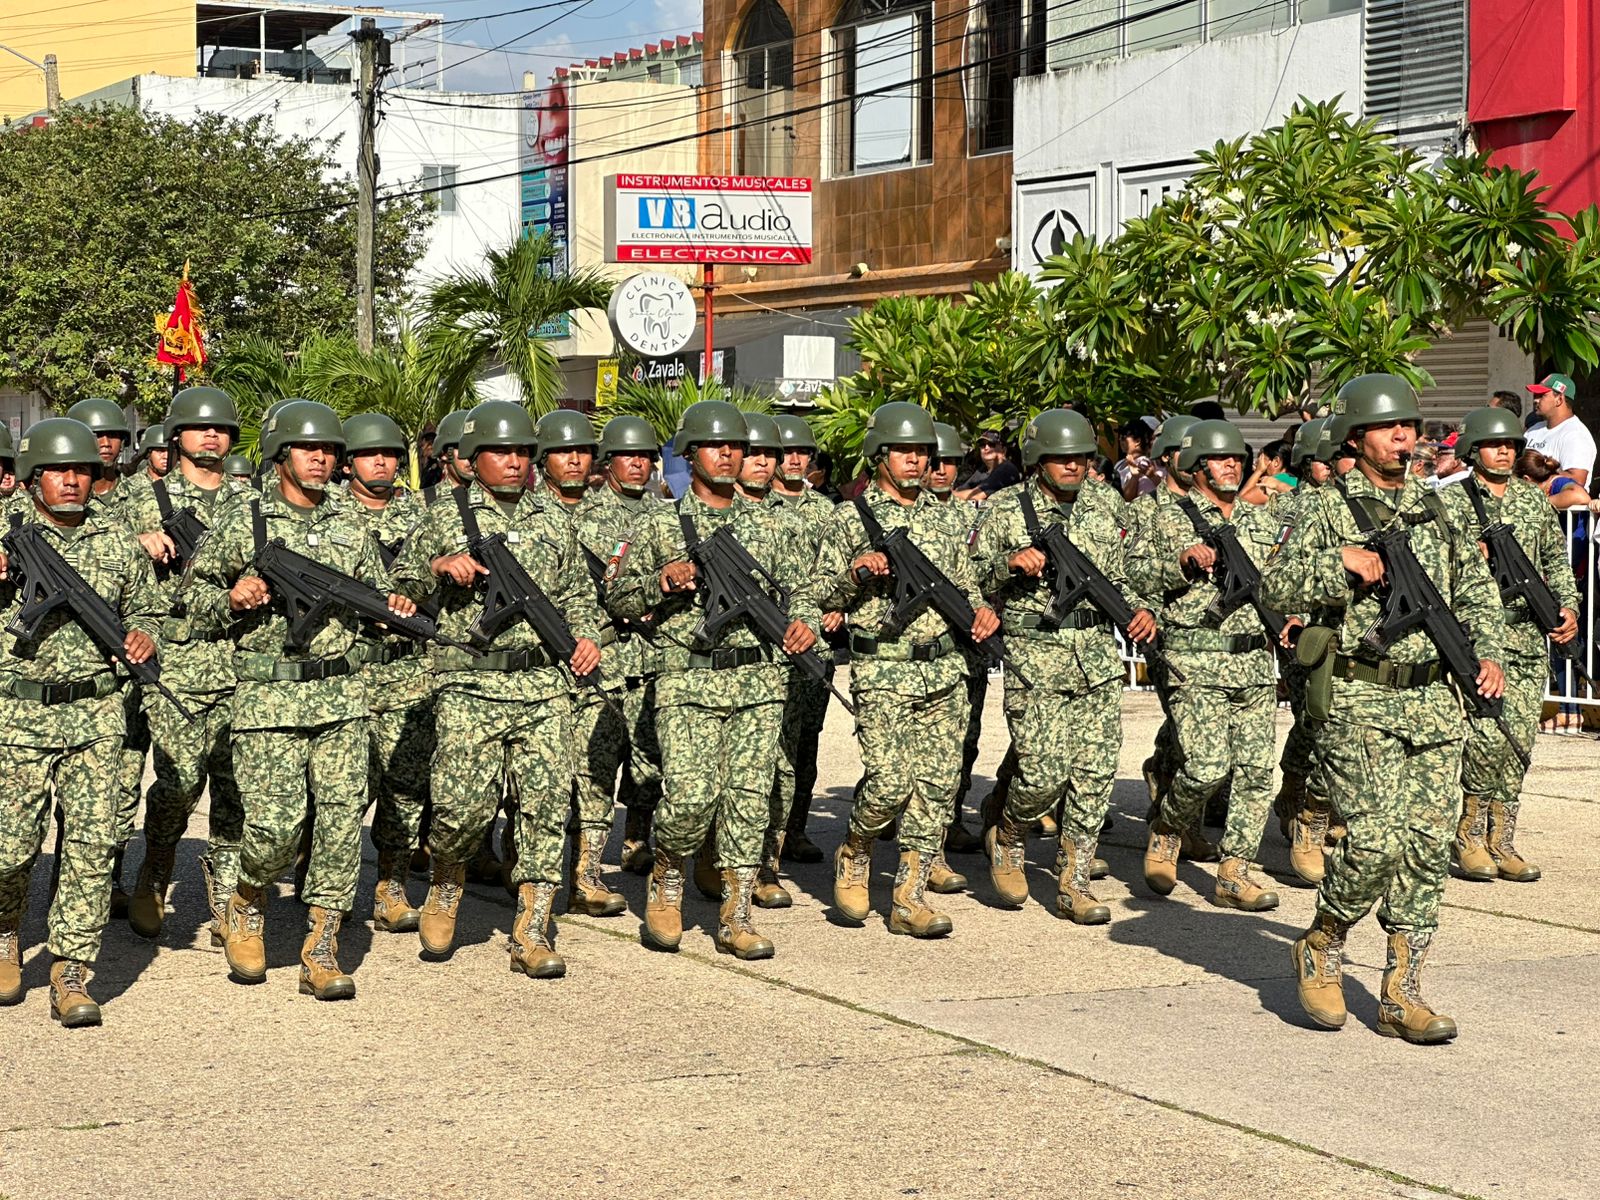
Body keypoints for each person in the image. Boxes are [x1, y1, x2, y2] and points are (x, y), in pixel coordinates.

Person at [1263, 374, 1505, 1044]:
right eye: (1389, 427)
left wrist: (1489, 653)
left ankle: (1403, 993)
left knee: (1426, 852)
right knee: (1373, 842)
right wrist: (1337, 563)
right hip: (1360, 695)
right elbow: (1275, 583)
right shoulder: (1324, 506)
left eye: (1411, 426)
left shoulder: (1442, 506)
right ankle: (1325, 941)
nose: (1405, 438)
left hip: (1434, 700)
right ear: (1356, 436)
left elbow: (1477, 589)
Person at [185, 400, 405, 1000]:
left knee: (339, 826)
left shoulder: (350, 521)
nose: (322, 459)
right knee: (277, 828)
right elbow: (193, 602)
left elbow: (377, 597)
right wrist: (232, 597)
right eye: (310, 449)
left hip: (342, 694)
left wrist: (395, 613)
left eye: (331, 451)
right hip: (269, 697)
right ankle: (248, 900)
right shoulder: (245, 520)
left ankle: (322, 948)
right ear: (281, 455)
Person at [392, 401, 600, 979]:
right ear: (473, 457)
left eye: (522, 453)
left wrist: (587, 637)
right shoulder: (443, 515)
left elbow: (579, 594)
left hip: (541, 684)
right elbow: (400, 585)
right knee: (461, 810)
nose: (513, 462)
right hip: (469, 681)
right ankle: (446, 881)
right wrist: (438, 566)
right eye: (501, 452)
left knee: (544, 809)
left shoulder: (553, 516)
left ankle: (531, 931)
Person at [609, 400, 818, 958]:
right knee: (691, 799)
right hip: (687, 680)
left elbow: (807, 593)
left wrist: (807, 626)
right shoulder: (657, 521)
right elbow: (619, 596)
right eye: (714, 445)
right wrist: (662, 580)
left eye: (736, 447)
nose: (728, 454)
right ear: (690, 454)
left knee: (750, 801)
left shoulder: (773, 522)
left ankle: (737, 912)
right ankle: (669, 875)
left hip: (758, 681)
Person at [808, 402, 999, 938]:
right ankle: (857, 848)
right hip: (884, 667)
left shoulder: (945, 517)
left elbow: (968, 585)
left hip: (945, 669)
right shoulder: (850, 517)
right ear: (880, 455)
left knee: (936, 787)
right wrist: (855, 574)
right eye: (905, 451)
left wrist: (982, 610)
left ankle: (909, 897)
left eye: (923, 452)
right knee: (891, 782)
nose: (916, 461)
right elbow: (820, 593)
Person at [0, 418, 163, 1026]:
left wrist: (145, 634)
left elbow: (149, 607)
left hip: (96, 713)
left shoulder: (117, 539)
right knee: (9, 846)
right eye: (58, 472)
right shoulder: (5, 530)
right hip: (17, 711)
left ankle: (72, 970)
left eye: (82, 472)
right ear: (32, 477)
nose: (71, 482)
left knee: (93, 846)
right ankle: (5, 929)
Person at [972, 409, 1154, 924]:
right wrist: (1008, 564)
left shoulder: (1106, 505)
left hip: (1096, 653)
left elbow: (1131, 573)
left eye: (1081, 457)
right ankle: (1007, 835)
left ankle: (1074, 881)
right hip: (1037, 654)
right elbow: (971, 581)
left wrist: (1143, 609)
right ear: (1039, 459)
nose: (1073, 465)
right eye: (1061, 457)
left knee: (1094, 773)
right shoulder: (1006, 509)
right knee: (1042, 772)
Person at [1128, 420, 1284, 911]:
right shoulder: (1164, 517)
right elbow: (1132, 576)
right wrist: (1179, 561)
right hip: (1194, 658)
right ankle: (1168, 827)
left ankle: (1235, 871)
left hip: (1255, 659)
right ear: (1196, 467)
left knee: (1258, 772)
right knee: (1207, 766)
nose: (1230, 465)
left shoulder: (1260, 520)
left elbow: (1284, 577)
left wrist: (1293, 610)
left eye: (1237, 458)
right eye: (1219, 459)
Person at [120, 386, 252, 942]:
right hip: (174, 660)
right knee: (178, 781)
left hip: (244, 659)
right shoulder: (141, 499)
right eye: (200, 428)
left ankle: (226, 896)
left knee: (237, 785)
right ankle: (158, 865)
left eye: (221, 429)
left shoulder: (253, 500)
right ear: (177, 437)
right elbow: (95, 558)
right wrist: (136, 540)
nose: (211, 436)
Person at [1443, 407, 1579, 884]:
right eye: (1493, 444)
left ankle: (1503, 841)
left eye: (1510, 445)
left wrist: (1569, 609)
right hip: (1479, 638)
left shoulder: (1531, 501)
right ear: (1472, 450)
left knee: (1518, 742)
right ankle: (1469, 837)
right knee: (1484, 737)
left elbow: (1555, 562)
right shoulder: (1452, 503)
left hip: (1525, 635)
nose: (1503, 451)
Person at [340, 412, 434, 934]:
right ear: (349, 461)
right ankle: (329, 882)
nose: (382, 461)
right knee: (344, 790)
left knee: (405, 787)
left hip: (408, 670)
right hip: (349, 671)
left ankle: (390, 886)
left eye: (391, 454)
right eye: (371, 454)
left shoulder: (427, 515)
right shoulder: (328, 516)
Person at [534, 408, 630, 918]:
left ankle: (586, 874)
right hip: (537, 663)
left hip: (602, 655)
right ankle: (528, 865)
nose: (574, 459)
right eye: (562, 451)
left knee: (596, 771)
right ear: (542, 458)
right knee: (538, 778)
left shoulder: (616, 518)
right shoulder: (524, 514)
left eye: (582, 451)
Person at [65, 397, 143, 915]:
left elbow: (145, 599)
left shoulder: (135, 504)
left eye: (114, 436)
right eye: (97, 436)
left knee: (112, 800)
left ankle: (107, 882)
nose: (106, 443)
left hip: (116, 677)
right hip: (34, 692)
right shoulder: (25, 513)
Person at [580, 415, 666, 876]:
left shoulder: (665, 515)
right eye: (627, 456)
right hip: (608, 654)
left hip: (654, 654)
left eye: (644, 457)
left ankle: (636, 838)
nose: (637, 464)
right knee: (598, 762)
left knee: (649, 760)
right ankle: (588, 866)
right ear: (609, 461)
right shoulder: (586, 515)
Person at [769, 414, 839, 868]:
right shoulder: (752, 506)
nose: (795, 460)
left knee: (806, 741)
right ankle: (764, 849)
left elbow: (843, 571)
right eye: (786, 452)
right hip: (769, 644)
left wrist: (838, 605)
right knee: (772, 746)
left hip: (817, 648)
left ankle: (795, 829)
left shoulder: (827, 511)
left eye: (802, 453)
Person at [926, 422, 985, 872]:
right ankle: (932, 843)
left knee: (962, 742)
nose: (943, 470)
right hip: (930, 644)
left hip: (972, 643)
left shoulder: (973, 516)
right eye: (936, 461)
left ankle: (949, 820)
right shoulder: (914, 514)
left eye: (950, 462)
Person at [1524, 372, 1595, 489]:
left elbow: (1577, 479)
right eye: (1536, 396)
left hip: (1558, 506)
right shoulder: (1532, 430)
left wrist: (1537, 478)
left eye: (1541, 395)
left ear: (1559, 399)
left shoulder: (1575, 434)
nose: (1535, 400)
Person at [955, 429, 1021, 501]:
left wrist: (950, 496)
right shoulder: (983, 470)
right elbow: (961, 490)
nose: (986, 448)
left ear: (1003, 450)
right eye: (982, 445)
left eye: (992, 444)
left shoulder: (1006, 469)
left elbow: (976, 495)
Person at [1113, 418, 1160, 502]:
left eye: (1124, 437)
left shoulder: (1144, 465)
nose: (1120, 440)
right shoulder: (1120, 463)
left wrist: (1134, 477)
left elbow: (1128, 498)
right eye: (1120, 437)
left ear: (1137, 441)